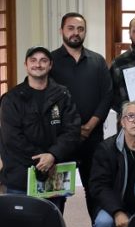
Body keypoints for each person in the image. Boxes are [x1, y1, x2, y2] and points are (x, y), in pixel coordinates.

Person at [0, 46, 80, 212]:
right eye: (33, 60)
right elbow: (12, 137)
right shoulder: (11, 99)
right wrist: (41, 160)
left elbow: (72, 130)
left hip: (55, 170)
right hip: (20, 174)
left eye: (43, 61)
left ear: (50, 65)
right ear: (26, 65)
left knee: (51, 225)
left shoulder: (63, 95)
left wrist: (53, 155)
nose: (38, 64)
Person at [50, 12, 113, 221]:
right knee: (56, 193)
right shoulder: (50, 62)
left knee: (94, 187)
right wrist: (70, 130)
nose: (75, 33)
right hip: (60, 139)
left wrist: (90, 125)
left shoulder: (97, 60)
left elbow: (107, 96)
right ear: (61, 31)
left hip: (92, 137)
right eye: (70, 28)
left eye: (80, 29)